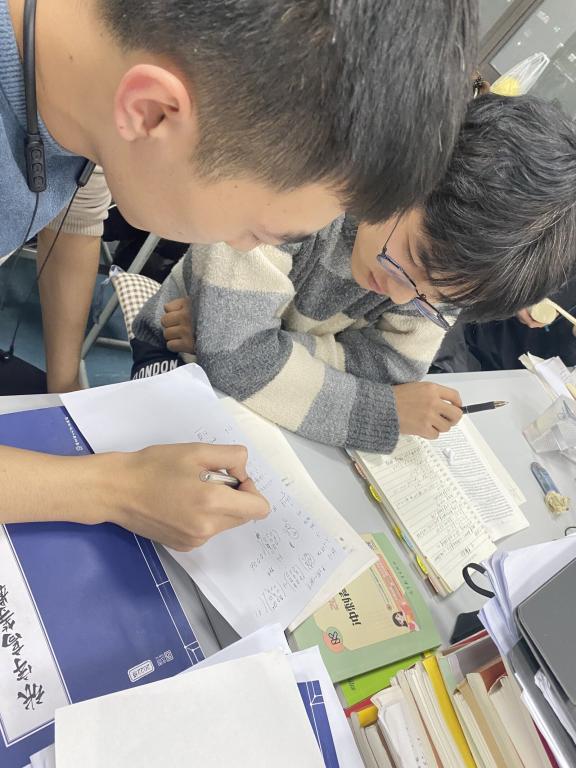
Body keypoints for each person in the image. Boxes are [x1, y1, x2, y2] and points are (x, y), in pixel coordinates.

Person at [0, 0, 479, 547]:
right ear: (153, 112)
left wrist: (64, 388)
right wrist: (115, 489)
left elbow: (75, 215)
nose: (241, 248)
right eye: (260, 231)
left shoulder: (89, 98)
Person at [132, 93, 576, 453]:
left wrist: (255, 343)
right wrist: (384, 411)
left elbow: (394, 368)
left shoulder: (441, 274)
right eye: (410, 258)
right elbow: (238, 359)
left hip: (232, 363)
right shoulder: (302, 190)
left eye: (434, 301)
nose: (401, 297)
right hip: (175, 354)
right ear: (414, 170)